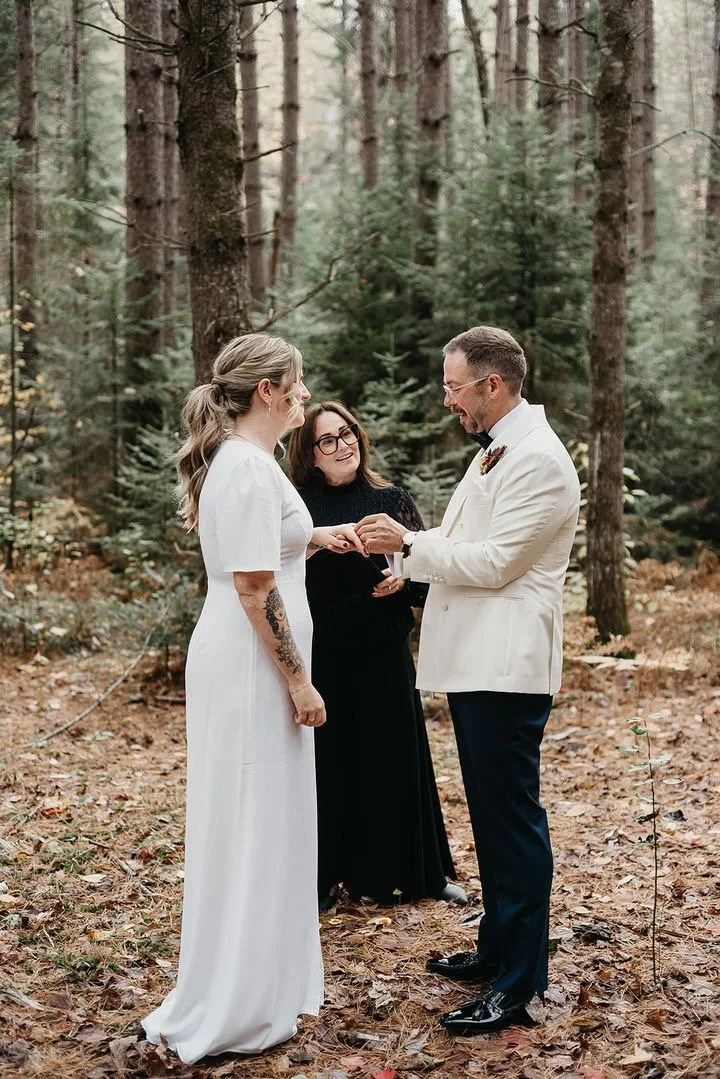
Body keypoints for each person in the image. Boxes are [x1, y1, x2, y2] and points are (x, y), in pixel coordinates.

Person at [142, 334, 362, 1064]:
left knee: (272, 818)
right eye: (298, 382)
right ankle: (236, 1000)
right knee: (251, 817)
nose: (306, 394)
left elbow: (273, 548)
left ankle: (267, 981)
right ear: (268, 389)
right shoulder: (242, 467)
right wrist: (298, 678)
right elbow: (253, 585)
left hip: (254, 661)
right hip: (250, 667)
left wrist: (322, 537)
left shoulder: (253, 463)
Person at [356, 326, 581, 1035]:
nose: (447, 400)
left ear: (492, 383)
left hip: (507, 666)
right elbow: (465, 546)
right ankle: (498, 947)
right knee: (489, 813)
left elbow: (496, 561)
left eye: (454, 387)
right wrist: (406, 565)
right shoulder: (497, 448)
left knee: (511, 821)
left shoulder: (540, 459)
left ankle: (519, 985)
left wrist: (408, 542)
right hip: (480, 660)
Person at [287, 401, 463, 908]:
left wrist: (402, 580)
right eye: (327, 440)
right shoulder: (297, 508)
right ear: (310, 454)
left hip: (383, 648)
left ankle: (420, 873)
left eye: (347, 434)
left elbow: (428, 578)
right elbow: (279, 577)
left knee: (394, 759)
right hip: (324, 652)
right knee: (329, 763)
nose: (342, 446)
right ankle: (323, 878)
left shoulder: (391, 499)